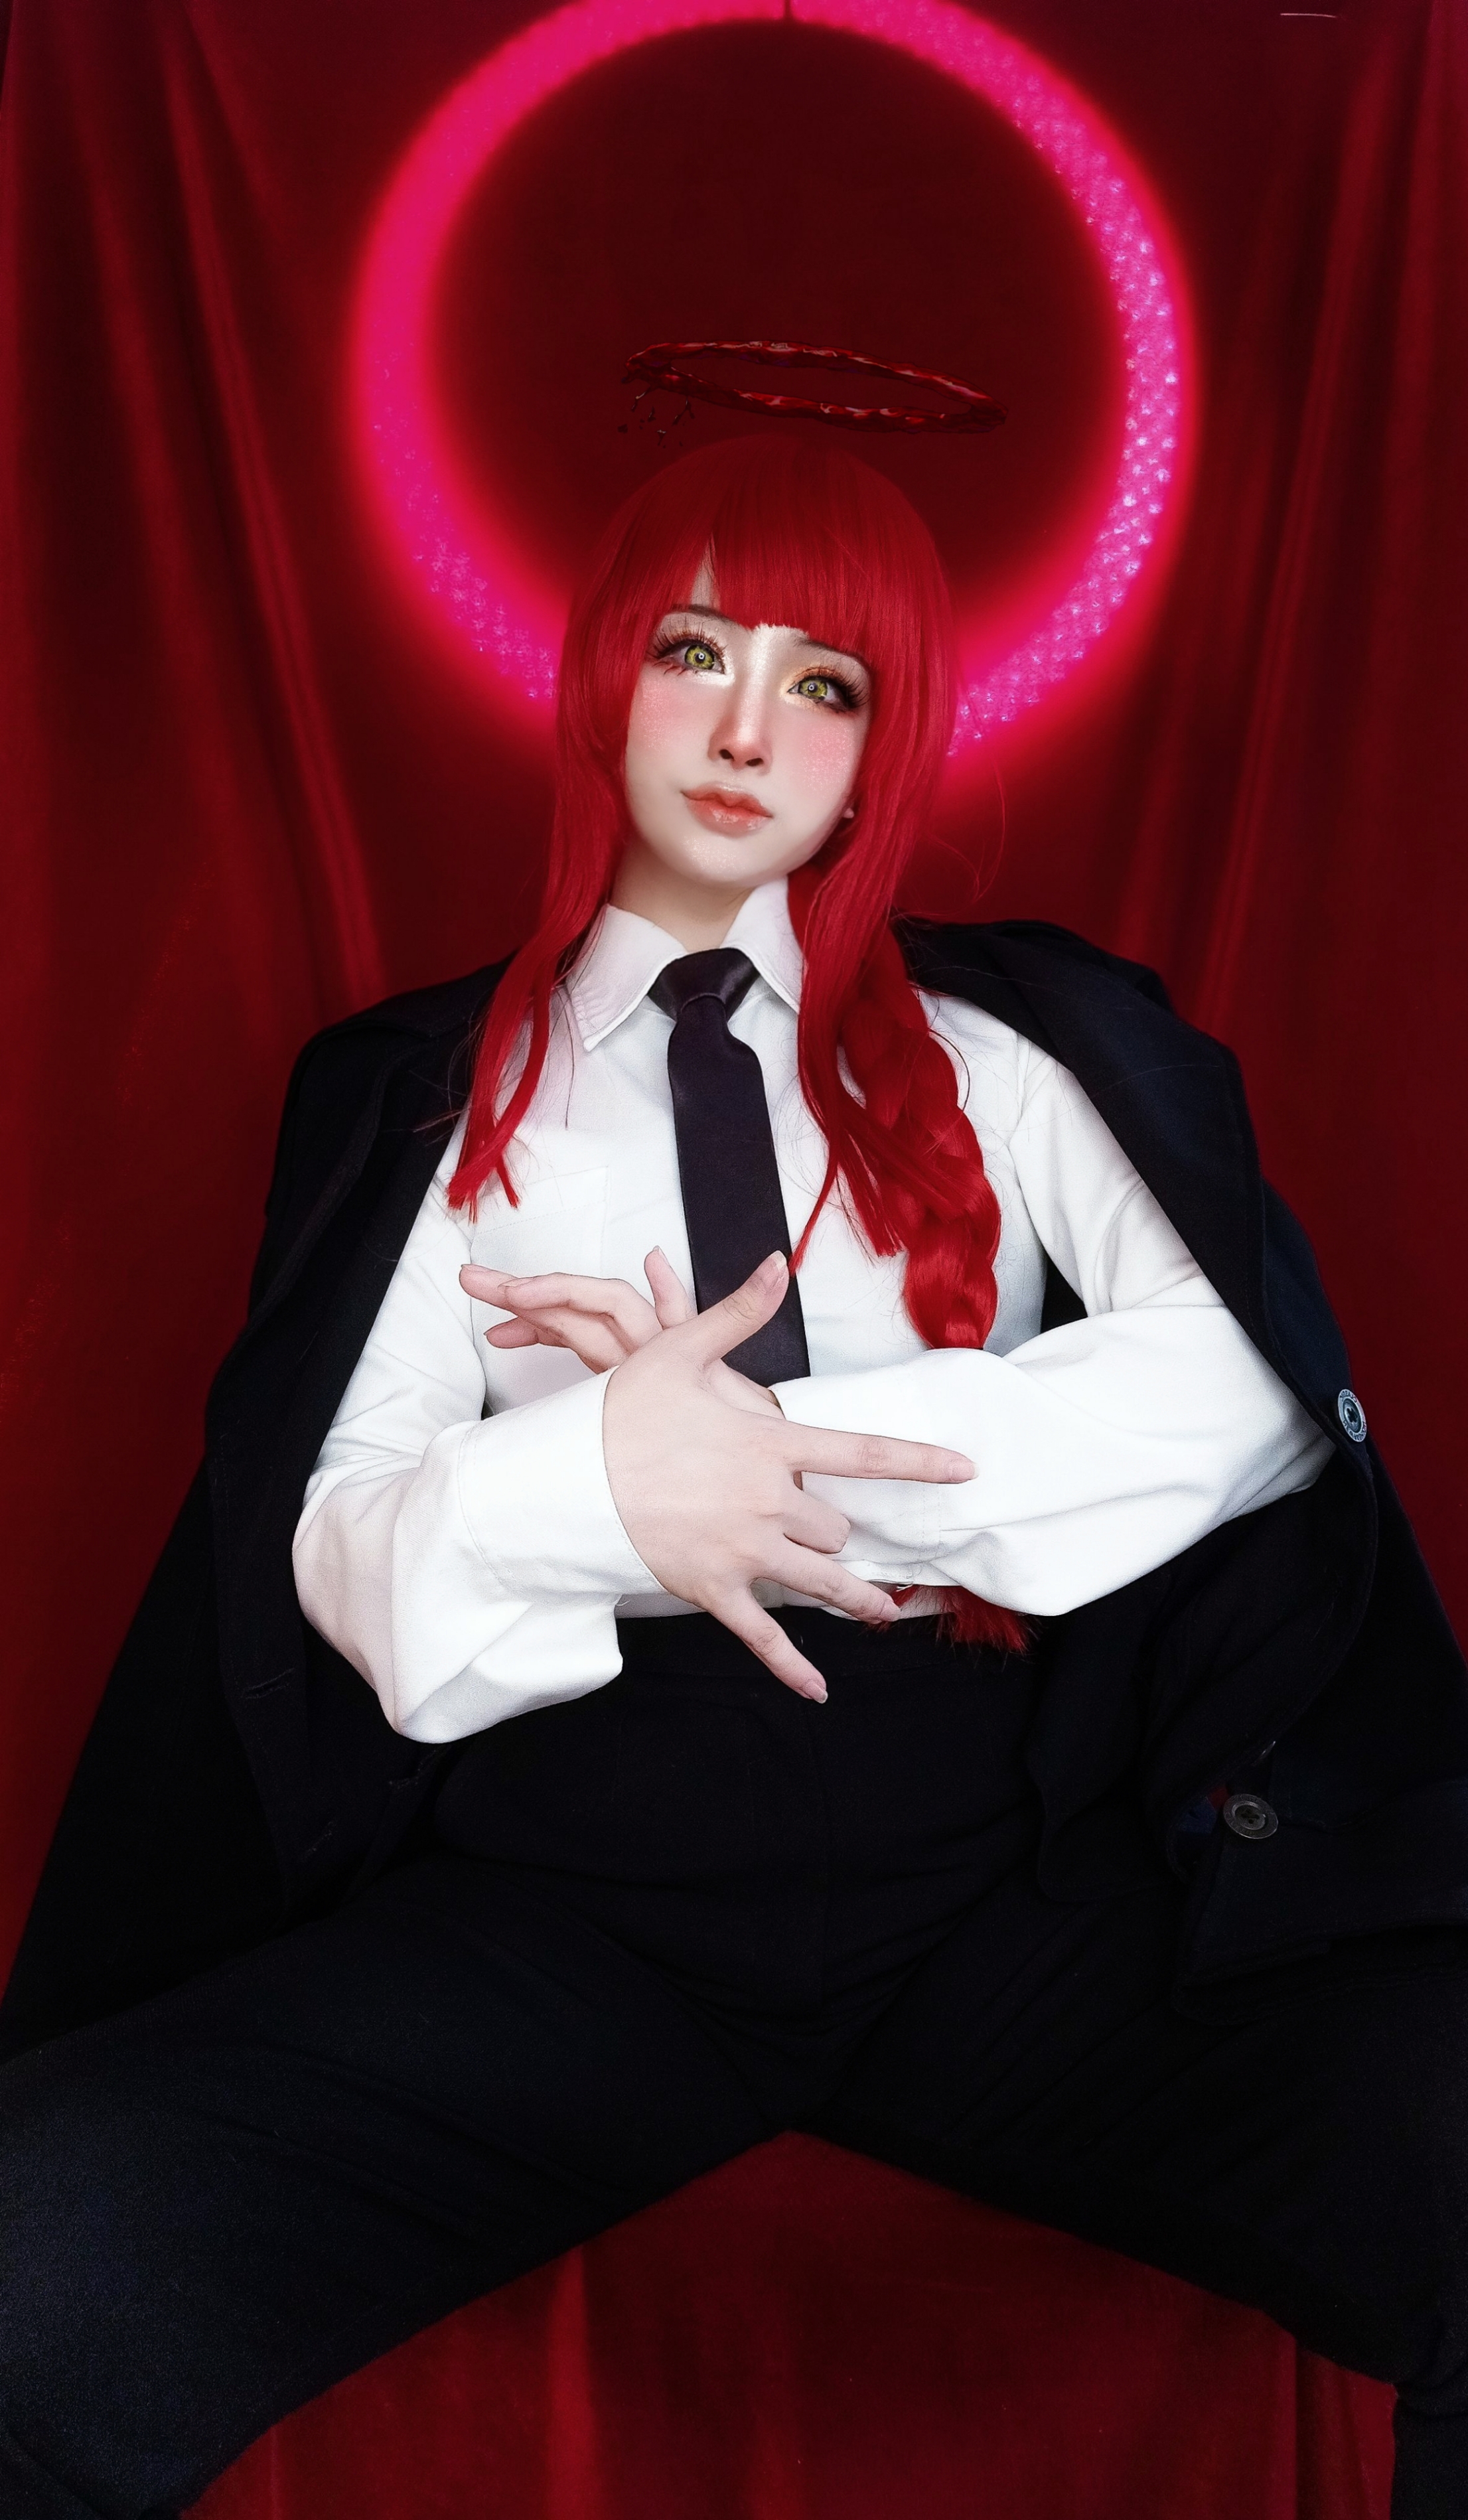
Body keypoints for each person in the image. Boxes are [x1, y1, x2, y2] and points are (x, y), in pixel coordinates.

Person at [1, 432, 1466, 2520]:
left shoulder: (1013, 1049)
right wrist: (595, 1482)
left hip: (1002, 1892)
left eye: (824, 680)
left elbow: (1240, 1388)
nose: (746, 728)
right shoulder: (420, 1093)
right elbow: (331, 1546)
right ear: (601, 678)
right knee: (35, 2265)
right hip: (566, 1913)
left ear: (881, 748)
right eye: (695, 651)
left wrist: (760, 1468)